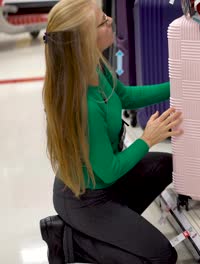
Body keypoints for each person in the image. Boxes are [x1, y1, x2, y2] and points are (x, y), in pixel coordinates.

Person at [40, 0, 183, 263]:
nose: (110, 21)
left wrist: (179, 85)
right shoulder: (83, 105)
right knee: (162, 256)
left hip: (107, 185)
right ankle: (78, 242)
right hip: (87, 199)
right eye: (103, 21)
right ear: (84, 41)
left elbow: (126, 96)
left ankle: (111, 230)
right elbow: (109, 170)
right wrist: (147, 138)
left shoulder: (93, 67)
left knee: (168, 165)